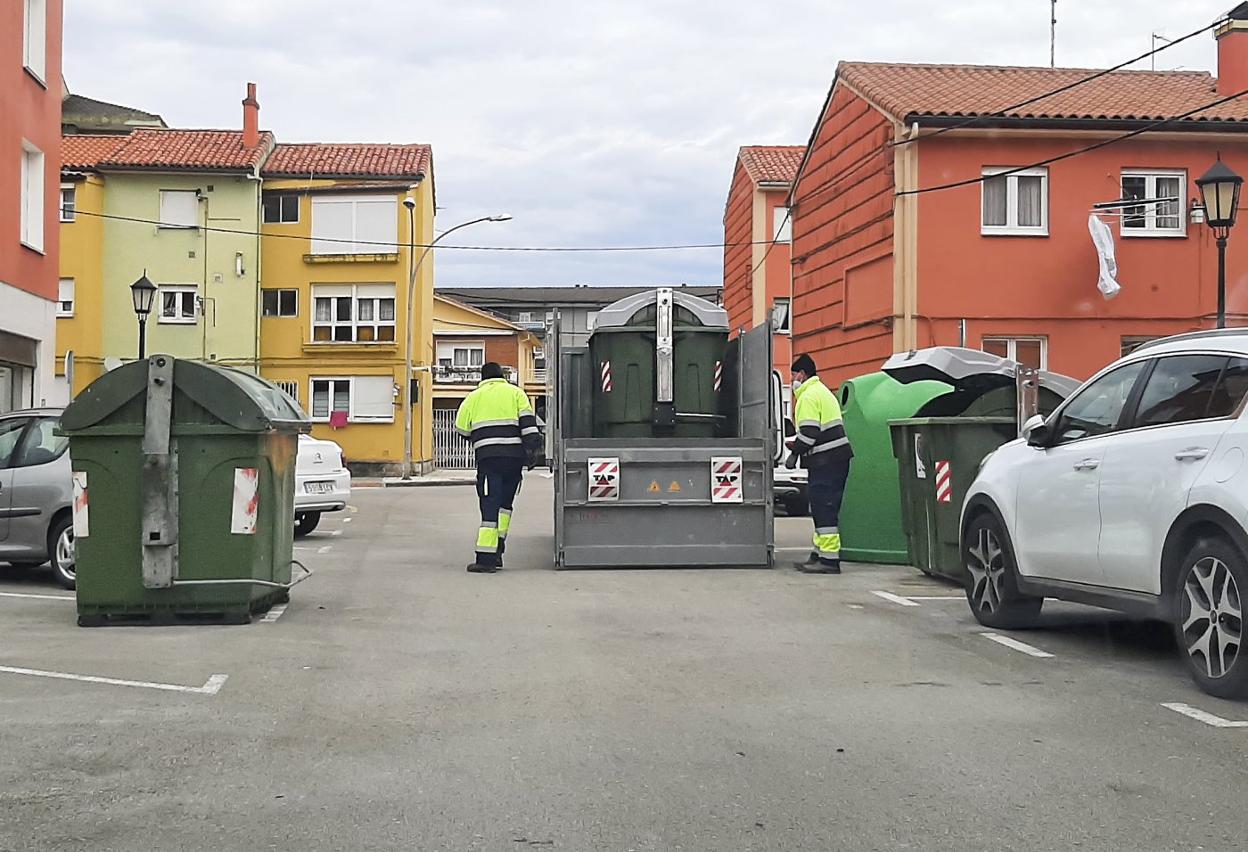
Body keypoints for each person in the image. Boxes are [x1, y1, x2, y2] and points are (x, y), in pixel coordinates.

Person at [455, 362, 543, 573]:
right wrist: (532, 453)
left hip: (489, 460)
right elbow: (529, 427)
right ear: (502, 376)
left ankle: (486, 559)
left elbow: (461, 428)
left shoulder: (473, 397)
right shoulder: (517, 393)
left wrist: (481, 436)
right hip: (514, 460)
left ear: (483, 377)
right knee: (505, 505)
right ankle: (498, 551)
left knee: (490, 506)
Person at [784, 354, 854, 574]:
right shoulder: (823, 392)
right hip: (834, 460)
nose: (792, 379)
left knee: (824, 508)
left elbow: (809, 434)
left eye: (793, 375)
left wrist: (794, 451)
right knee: (823, 506)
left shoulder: (808, 396)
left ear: (802, 374)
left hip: (826, 462)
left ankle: (829, 561)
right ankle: (819, 554)